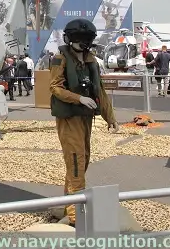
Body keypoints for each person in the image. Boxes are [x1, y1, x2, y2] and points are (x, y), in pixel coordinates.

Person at [49, 19, 118, 227]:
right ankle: (76, 215)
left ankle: (67, 202)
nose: (84, 45)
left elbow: (100, 91)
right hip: (70, 117)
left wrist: (110, 116)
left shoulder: (91, 62)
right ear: (70, 40)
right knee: (76, 160)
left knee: (83, 159)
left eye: (86, 41)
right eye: (80, 41)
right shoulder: (60, 59)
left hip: (86, 117)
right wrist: (78, 98)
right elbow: (55, 87)